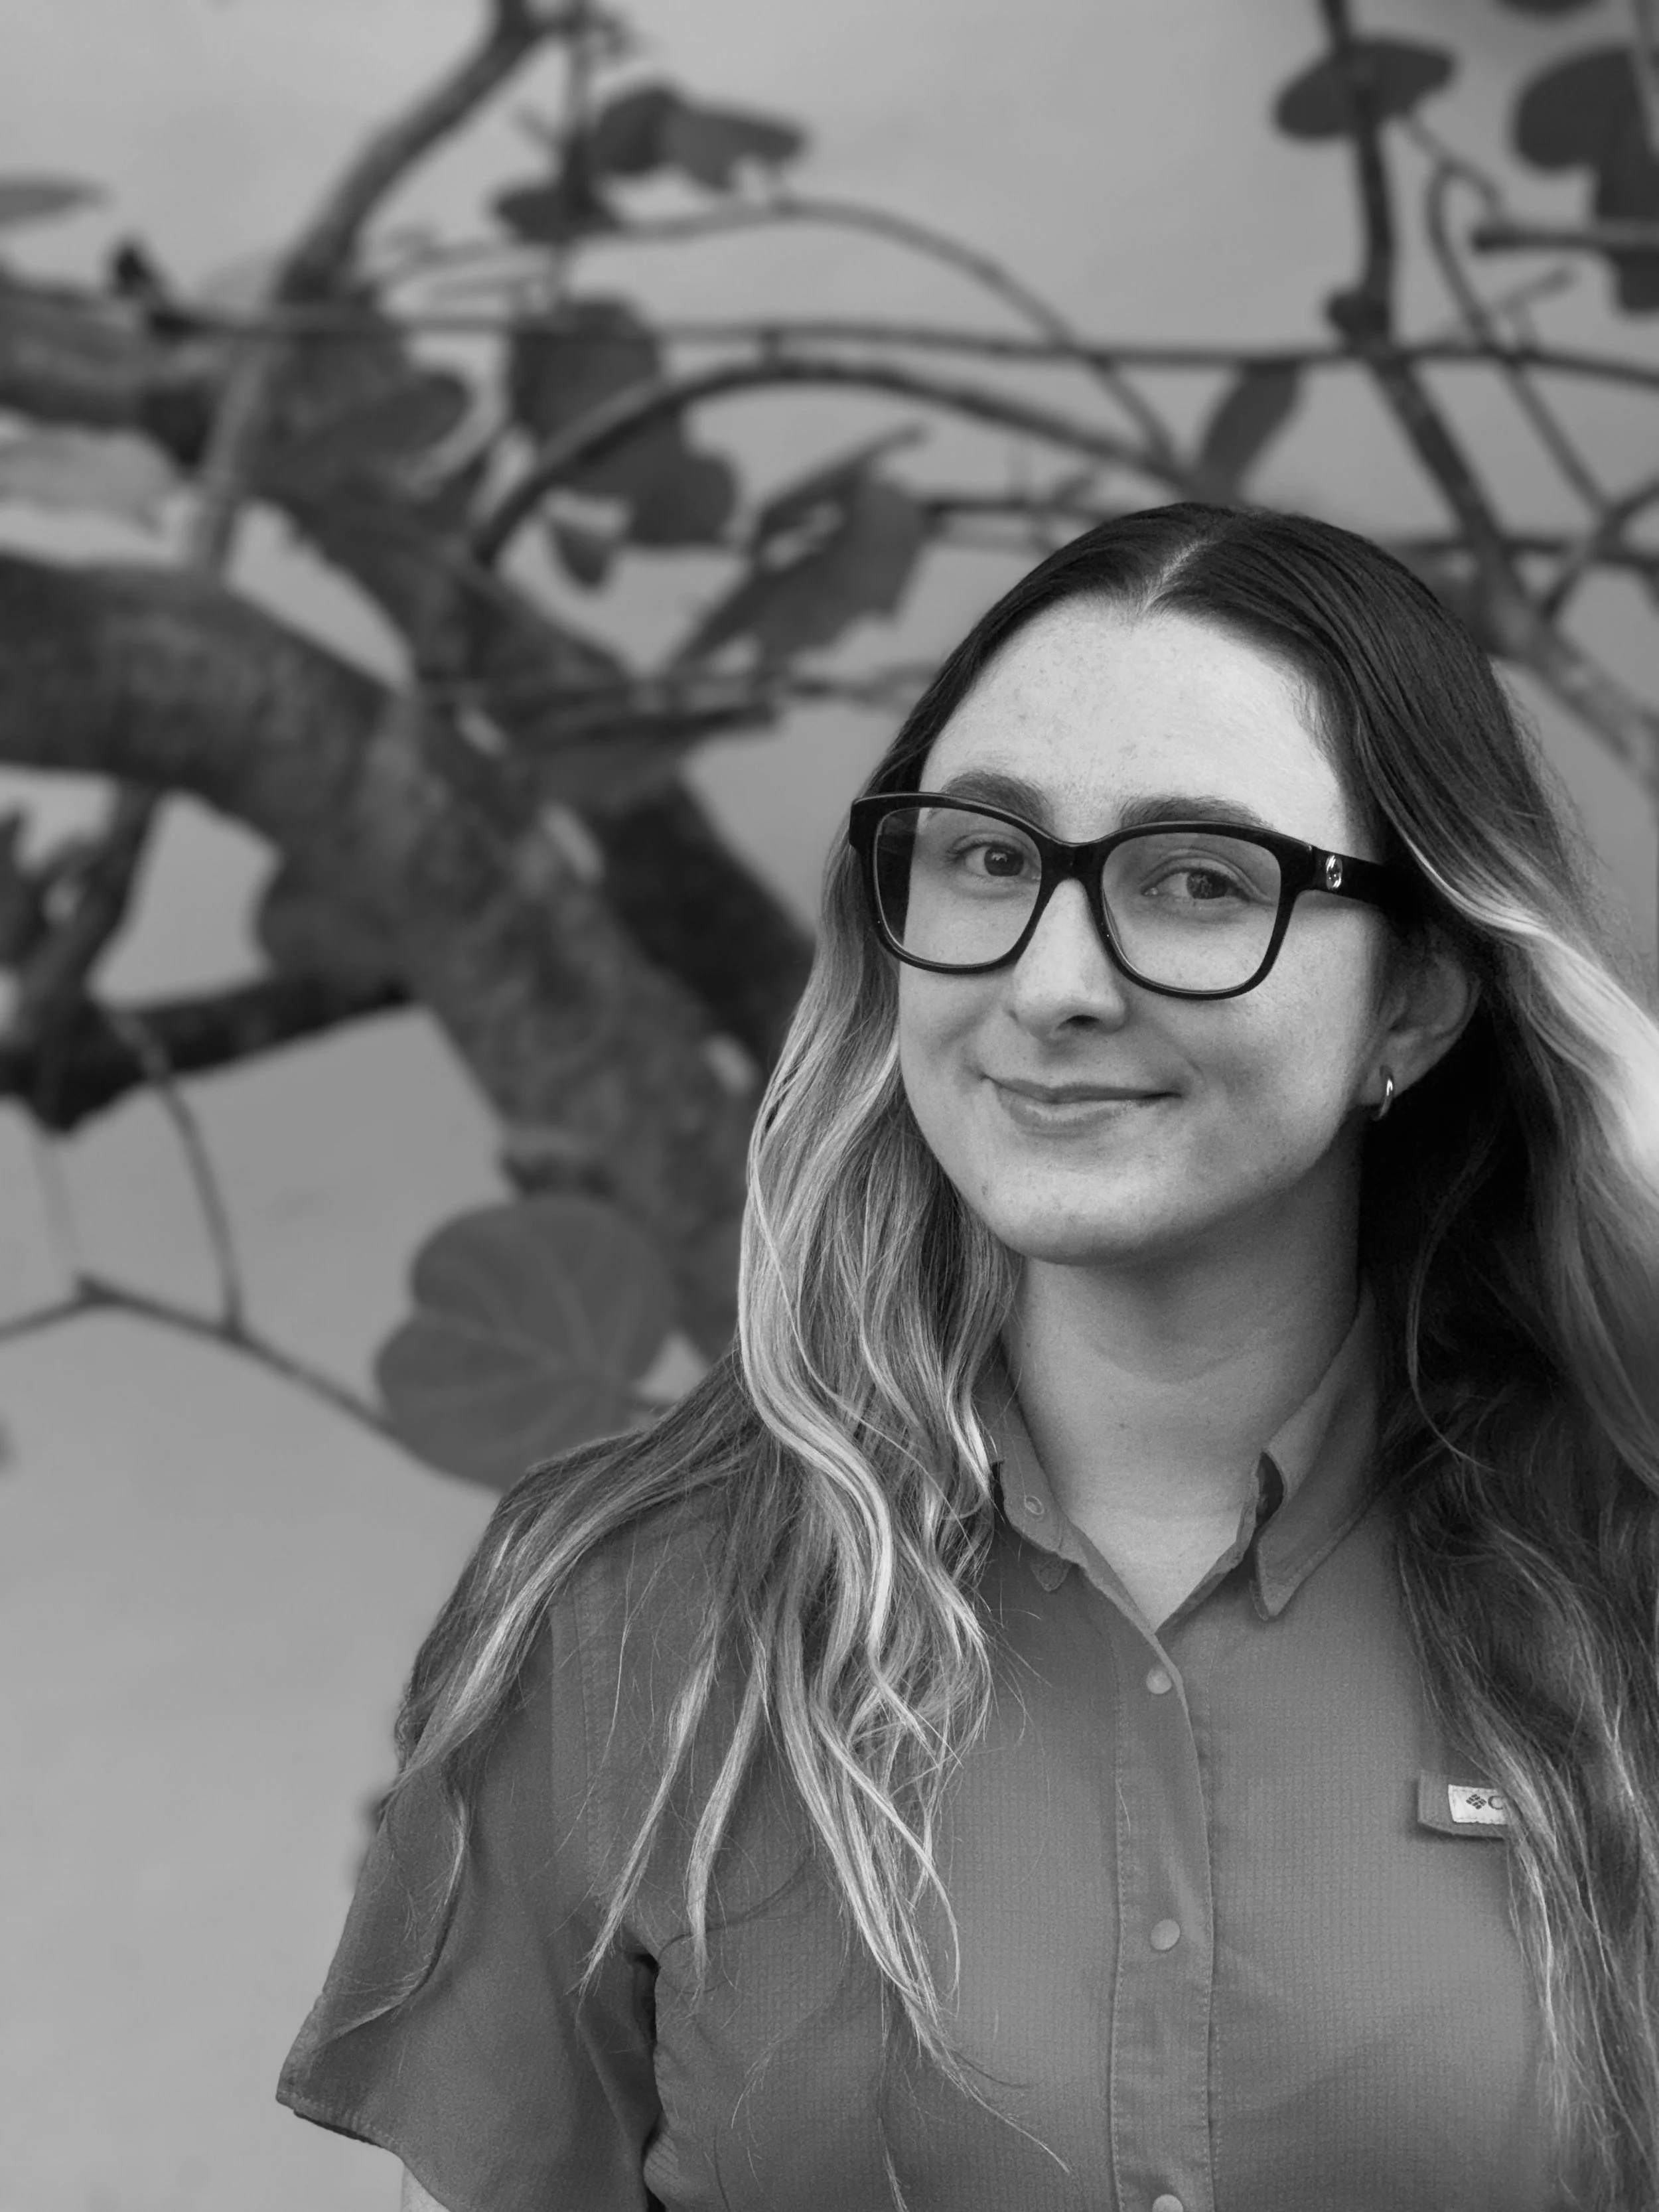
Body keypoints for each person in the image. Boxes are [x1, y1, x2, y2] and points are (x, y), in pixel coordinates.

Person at [277, 504, 1659, 2212]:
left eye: (1199, 881)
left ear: (1416, 1000)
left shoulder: (1620, 1562)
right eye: (989, 860)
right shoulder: (624, 1610)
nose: (1052, 981)